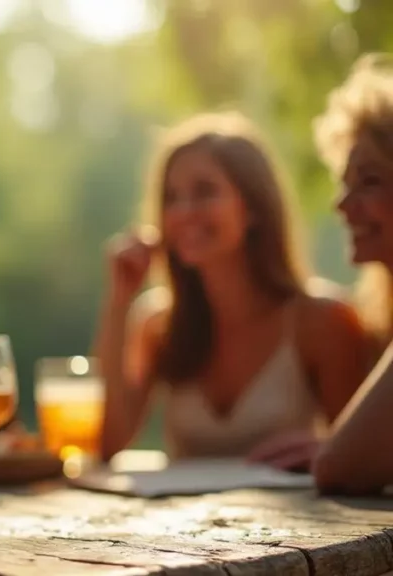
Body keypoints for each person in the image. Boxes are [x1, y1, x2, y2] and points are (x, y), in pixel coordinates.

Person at [96, 111, 373, 471]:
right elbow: (108, 443)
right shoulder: (156, 323)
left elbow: (363, 459)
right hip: (182, 525)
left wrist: (329, 447)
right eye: (171, 197)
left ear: (254, 208)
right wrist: (119, 300)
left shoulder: (322, 319)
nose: (183, 212)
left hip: (299, 526)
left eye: (204, 191)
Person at [311, 53, 393, 494]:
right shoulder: (373, 319)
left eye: (370, 181)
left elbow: (340, 468)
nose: (343, 205)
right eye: (345, 182)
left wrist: (331, 449)